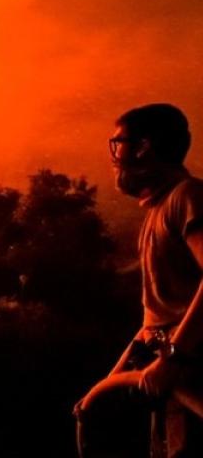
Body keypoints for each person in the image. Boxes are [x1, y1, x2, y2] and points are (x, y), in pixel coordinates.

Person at [77, 103, 203, 457]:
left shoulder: (187, 197)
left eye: (118, 143)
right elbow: (158, 315)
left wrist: (173, 360)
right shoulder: (157, 210)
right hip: (171, 374)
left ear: (144, 147)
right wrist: (111, 379)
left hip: (191, 374)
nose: (114, 155)